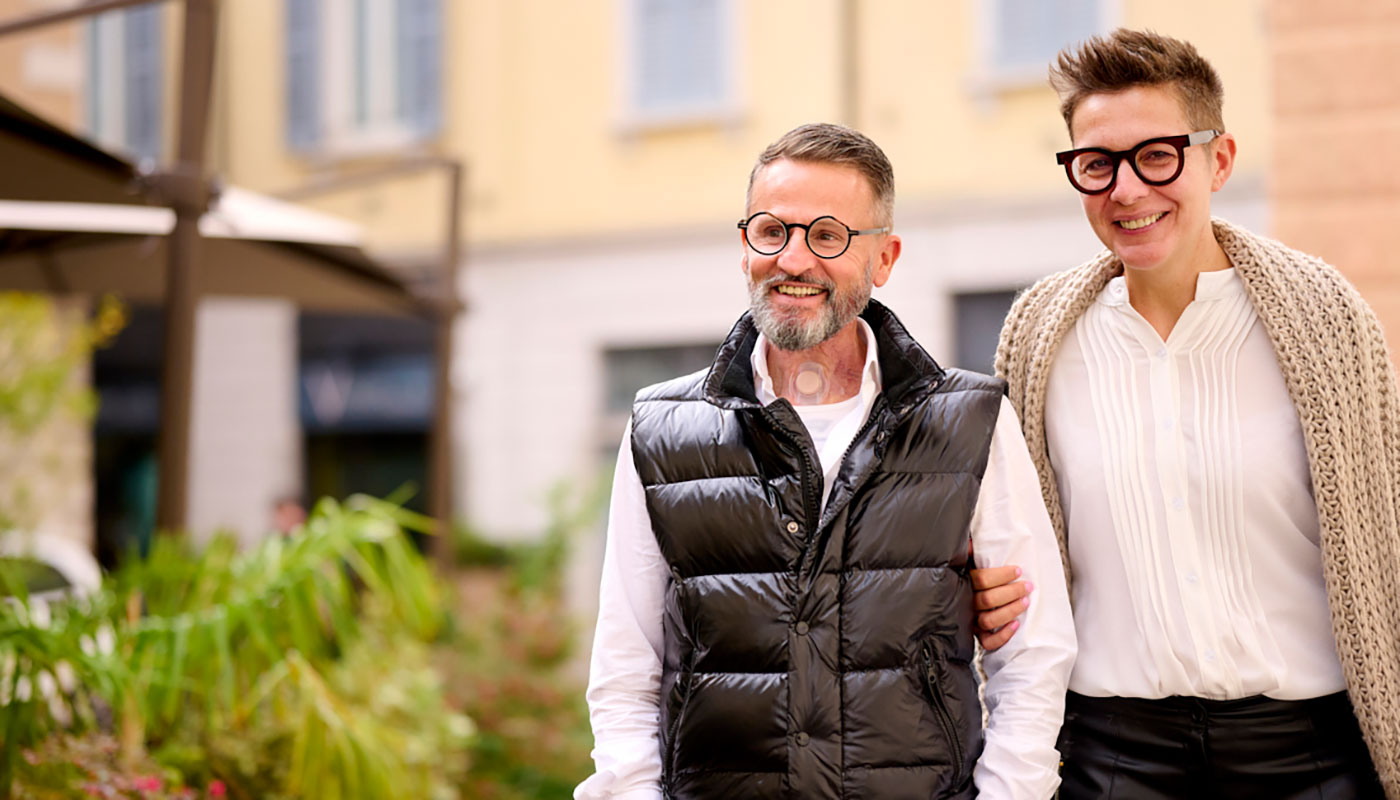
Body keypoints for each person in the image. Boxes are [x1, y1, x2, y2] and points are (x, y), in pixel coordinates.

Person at [575, 123, 1076, 800]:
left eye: (828, 236)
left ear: (886, 257)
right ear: (744, 246)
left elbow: (1033, 656)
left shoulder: (972, 420)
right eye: (772, 231)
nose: (795, 260)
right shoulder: (662, 429)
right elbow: (625, 669)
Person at [972, 29, 1399, 799]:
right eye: (1097, 165)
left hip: (1311, 758)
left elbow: (1388, 525)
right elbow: (1018, 548)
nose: (1127, 191)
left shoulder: (1322, 318)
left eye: (1158, 155)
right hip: (1115, 760)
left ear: (1219, 159)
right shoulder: (1038, 338)